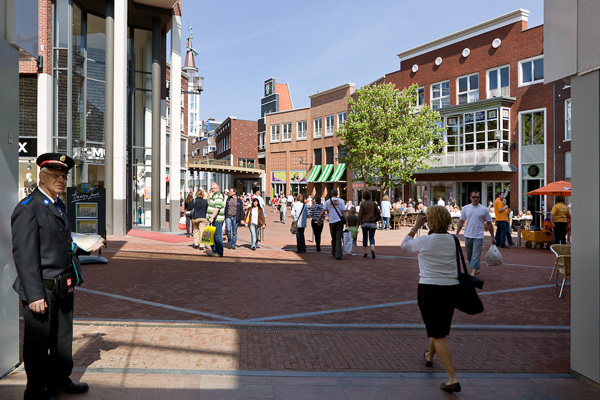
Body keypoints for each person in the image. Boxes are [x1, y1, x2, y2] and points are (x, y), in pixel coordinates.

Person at [12, 153, 94, 399]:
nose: (61, 180)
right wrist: (34, 294)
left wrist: (84, 245)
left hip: (63, 285)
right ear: (42, 177)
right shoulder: (28, 208)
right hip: (42, 289)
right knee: (38, 343)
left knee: (62, 339)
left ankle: (60, 379)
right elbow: (25, 255)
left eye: (64, 175)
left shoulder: (57, 205)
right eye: (55, 175)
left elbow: (59, 243)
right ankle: (36, 390)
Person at [401, 206, 462, 393]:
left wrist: (415, 227)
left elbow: (404, 245)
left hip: (430, 288)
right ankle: (429, 356)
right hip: (451, 288)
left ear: (429, 221)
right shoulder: (454, 240)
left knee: (437, 333)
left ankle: (453, 378)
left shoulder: (425, 241)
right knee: (438, 327)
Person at [456, 191, 495, 276]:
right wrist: (457, 232)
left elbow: (489, 223)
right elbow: (461, 221)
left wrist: (492, 236)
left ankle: (473, 273)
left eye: (477, 197)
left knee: (476, 255)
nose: (476, 199)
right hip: (468, 235)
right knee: (469, 255)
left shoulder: (484, 209)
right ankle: (476, 269)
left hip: (478, 236)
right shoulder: (466, 208)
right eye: (474, 197)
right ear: (470, 198)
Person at [318, 189, 347, 260]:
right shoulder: (341, 201)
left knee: (333, 237)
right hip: (339, 221)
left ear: (331, 194)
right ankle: (338, 254)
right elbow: (343, 212)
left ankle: (334, 252)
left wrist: (319, 220)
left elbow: (323, 211)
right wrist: (346, 221)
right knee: (338, 238)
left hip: (331, 221)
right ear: (337, 194)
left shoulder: (328, 201)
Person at [357, 191, 379, 259]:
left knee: (364, 237)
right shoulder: (373, 204)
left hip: (364, 222)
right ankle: (372, 249)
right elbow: (378, 211)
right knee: (371, 237)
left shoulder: (363, 204)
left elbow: (360, 214)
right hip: (372, 222)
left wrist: (357, 223)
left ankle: (365, 252)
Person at [207, 182, 225, 257]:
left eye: (214, 188)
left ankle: (219, 252)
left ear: (217, 188)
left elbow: (217, 208)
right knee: (211, 236)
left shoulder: (218, 196)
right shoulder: (214, 196)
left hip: (217, 220)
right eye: (212, 188)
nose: (213, 190)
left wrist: (212, 217)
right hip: (213, 220)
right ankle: (214, 251)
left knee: (218, 236)